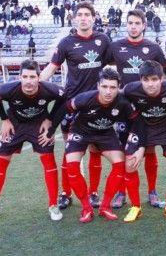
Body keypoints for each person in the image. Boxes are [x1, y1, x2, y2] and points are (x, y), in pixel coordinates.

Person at [40, 2, 111, 210]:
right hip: (71, 103)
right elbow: (51, 69)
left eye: (87, 14)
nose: (83, 18)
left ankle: (94, 192)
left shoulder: (103, 40)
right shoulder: (66, 43)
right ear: (74, 19)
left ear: (93, 18)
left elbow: (114, 65)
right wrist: (35, 85)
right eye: (79, 15)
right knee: (70, 149)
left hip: (97, 104)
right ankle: (65, 192)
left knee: (95, 149)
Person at [45, 68, 139, 223]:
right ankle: (86, 208)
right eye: (104, 87)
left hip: (105, 133)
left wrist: (137, 142)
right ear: (98, 86)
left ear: (119, 88)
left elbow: (136, 121)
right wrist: (50, 131)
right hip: (81, 131)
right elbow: (64, 108)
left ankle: (105, 206)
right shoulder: (84, 99)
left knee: (120, 164)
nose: (108, 91)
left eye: (113, 87)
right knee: (72, 166)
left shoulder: (123, 102)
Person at [0, 60, 65, 224]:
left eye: (32, 77)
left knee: (48, 160)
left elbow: (64, 98)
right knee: (1, 161)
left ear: (39, 78)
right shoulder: (9, 89)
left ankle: (53, 205)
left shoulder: (49, 90)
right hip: (14, 125)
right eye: (24, 76)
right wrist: (4, 119)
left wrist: (50, 120)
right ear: (19, 77)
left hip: (38, 124)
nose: (28, 81)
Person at [105, 9, 166, 209]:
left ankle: (152, 191)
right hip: (124, 108)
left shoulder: (154, 48)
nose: (133, 26)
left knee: (149, 150)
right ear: (126, 25)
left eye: (137, 23)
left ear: (144, 26)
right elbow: (104, 67)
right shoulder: (115, 46)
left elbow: (164, 74)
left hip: (147, 108)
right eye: (130, 23)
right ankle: (121, 192)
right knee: (124, 150)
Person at [122, 61, 166, 222]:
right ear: (140, 80)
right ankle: (136, 206)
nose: (150, 84)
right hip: (142, 128)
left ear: (161, 79)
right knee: (129, 164)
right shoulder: (131, 89)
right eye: (146, 80)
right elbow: (114, 97)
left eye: (154, 79)